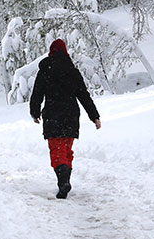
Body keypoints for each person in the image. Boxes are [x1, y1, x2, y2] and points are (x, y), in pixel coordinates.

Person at [30, 39, 101, 199]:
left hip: (53, 115)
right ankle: (65, 179)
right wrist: (94, 116)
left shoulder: (45, 70)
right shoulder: (72, 71)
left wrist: (35, 112)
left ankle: (63, 182)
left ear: (51, 52)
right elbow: (84, 95)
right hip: (71, 115)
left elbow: (37, 93)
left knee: (57, 150)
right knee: (67, 150)